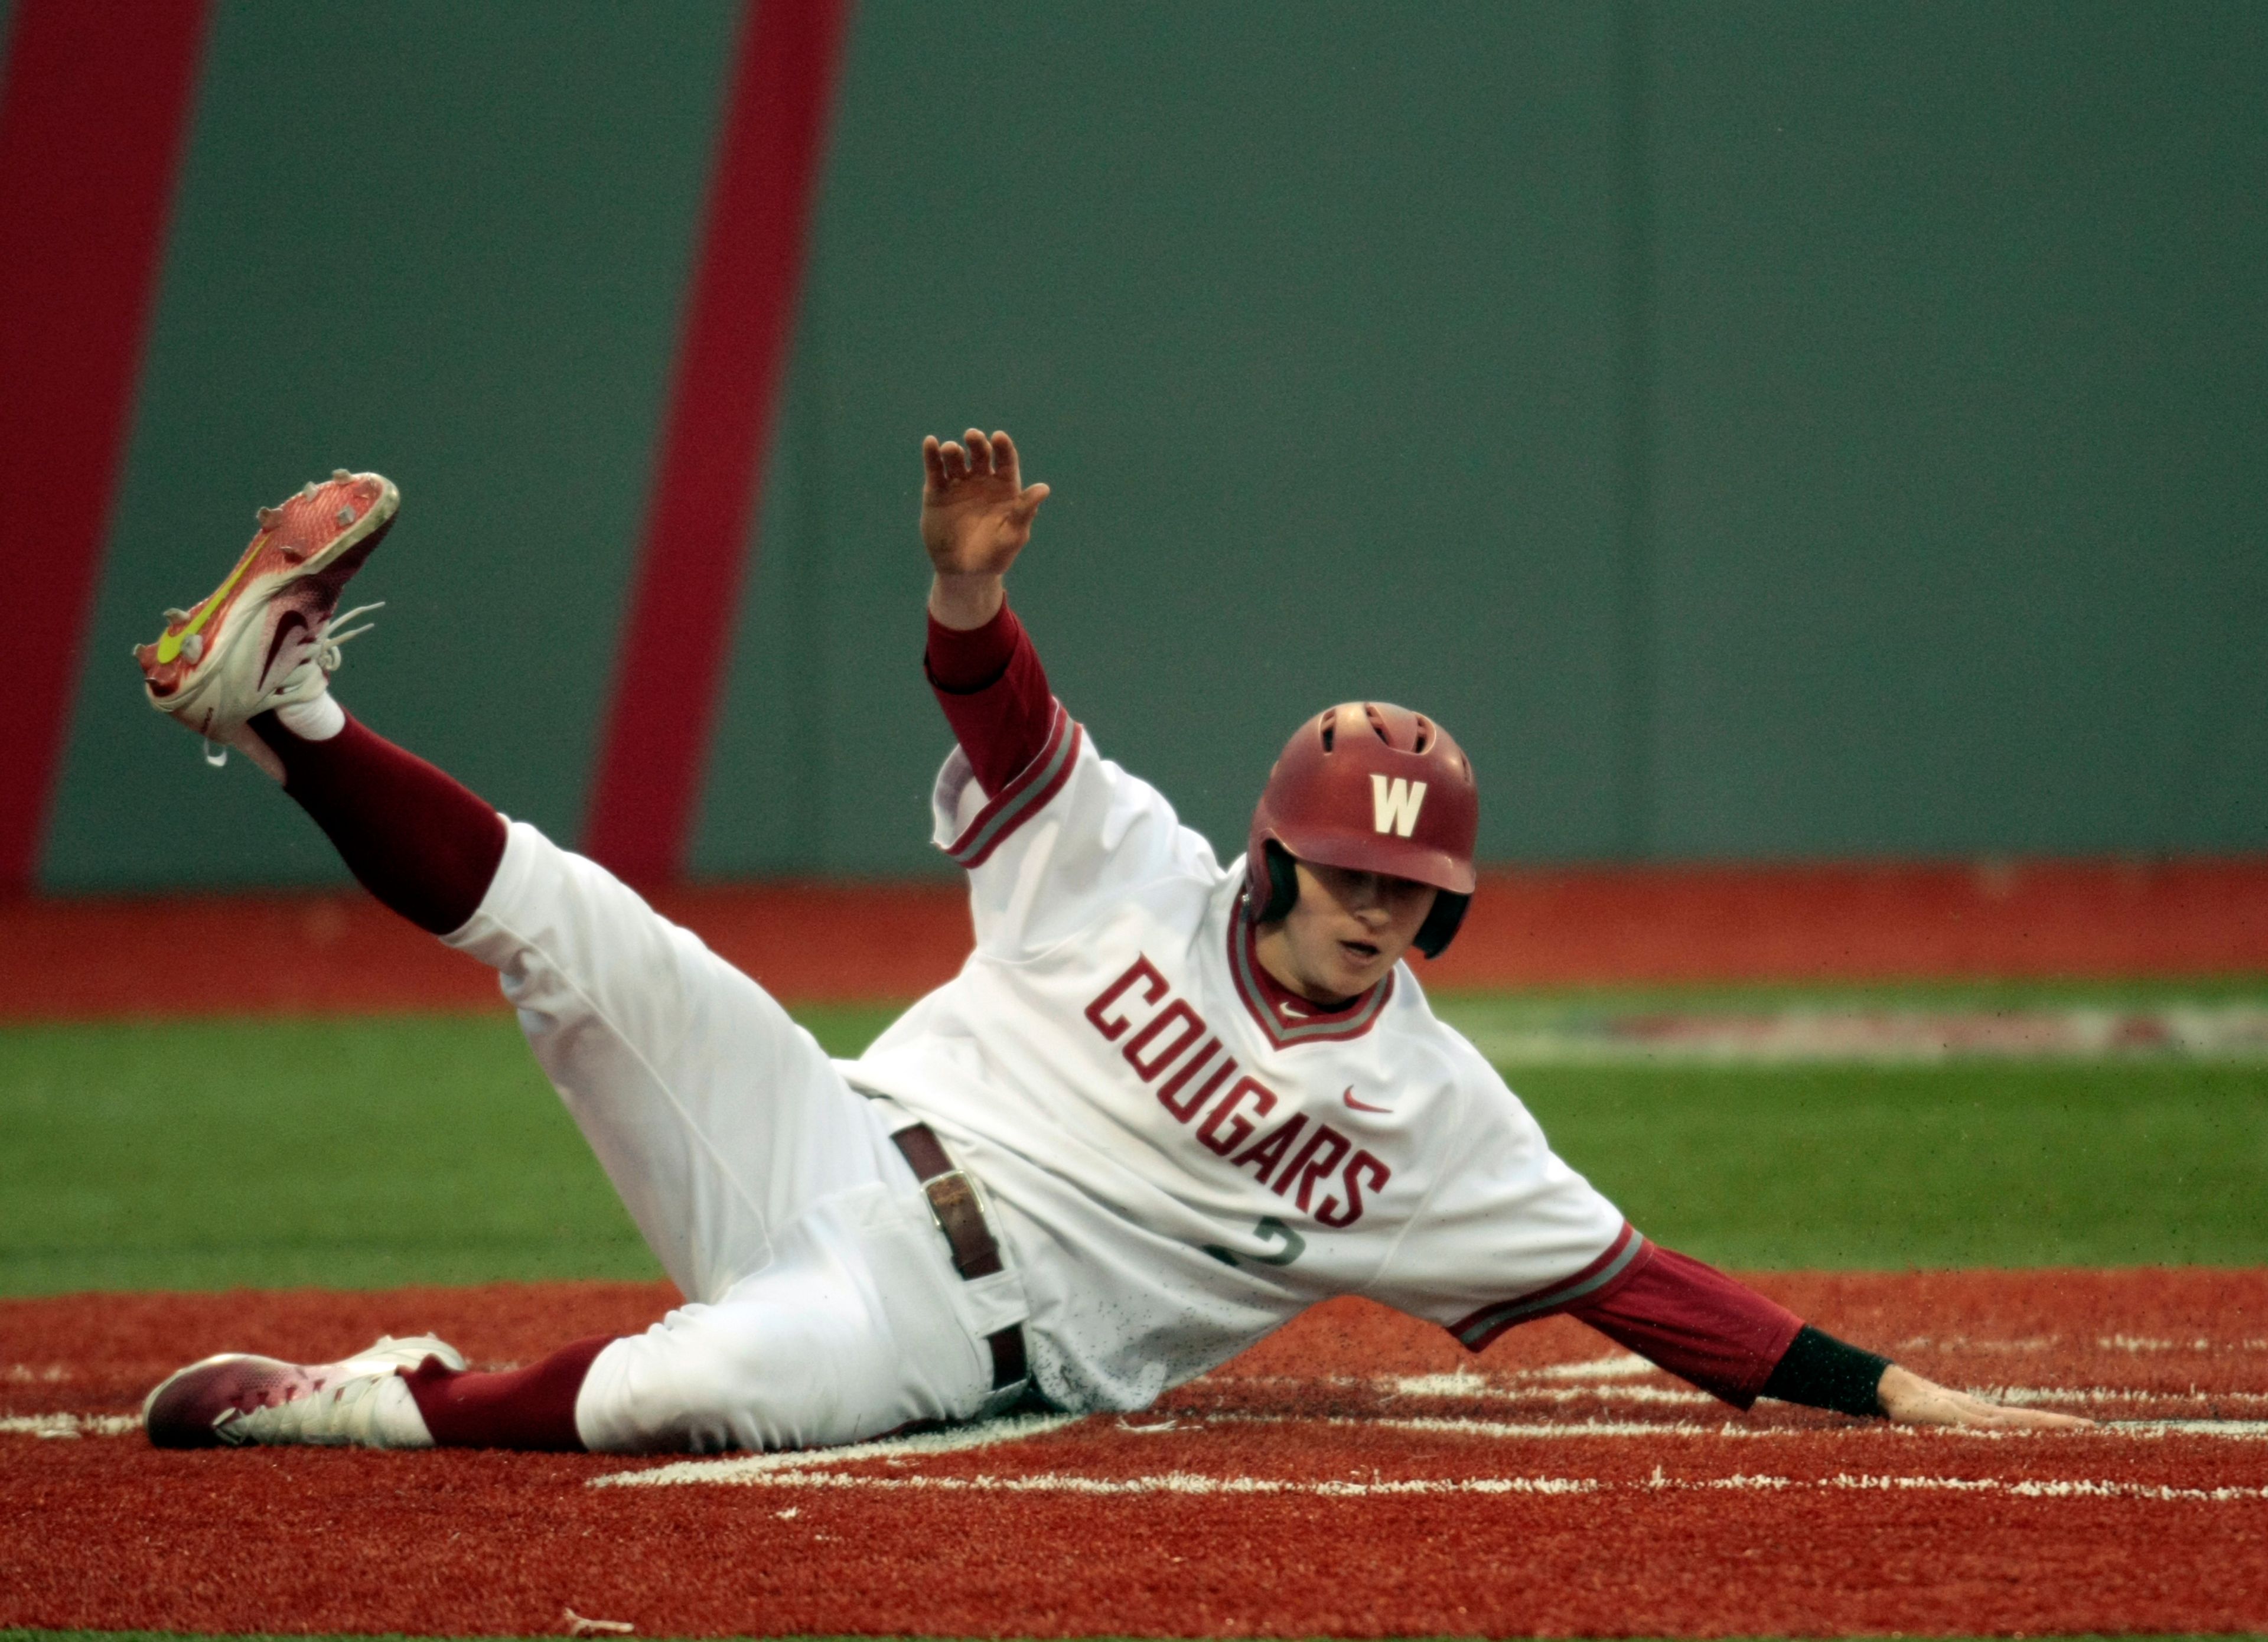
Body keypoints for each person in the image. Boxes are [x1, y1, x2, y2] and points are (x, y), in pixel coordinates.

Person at [135, 433, 2087, 1453]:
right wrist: (963, 597)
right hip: (826, 1131)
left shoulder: (1433, 1110)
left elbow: (1645, 1286)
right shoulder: (1130, 863)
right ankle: (281, 707)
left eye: (1413, 897)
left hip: (946, 1331)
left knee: (667, 1400)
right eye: (1352, 875)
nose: (1378, 911)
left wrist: (1891, 1389)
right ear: (1273, 857)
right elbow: (1003, 727)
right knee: (575, 926)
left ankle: (381, 1401)